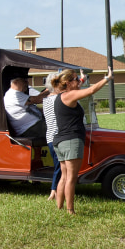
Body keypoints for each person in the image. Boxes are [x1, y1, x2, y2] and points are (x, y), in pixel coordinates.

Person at [52, 67, 112, 214]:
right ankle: (70, 210)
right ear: (67, 82)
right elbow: (90, 91)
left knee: (64, 177)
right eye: (76, 79)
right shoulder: (70, 95)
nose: (78, 81)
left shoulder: (60, 95)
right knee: (71, 178)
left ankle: (59, 208)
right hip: (71, 141)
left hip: (60, 141)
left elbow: (79, 87)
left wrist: (82, 78)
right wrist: (107, 78)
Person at [42, 73, 65, 201]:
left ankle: (54, 189)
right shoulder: (56, 99)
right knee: (59, 166)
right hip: (57, 136)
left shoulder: (46, 99)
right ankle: (53, 191)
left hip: (50, 136)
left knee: (58, 165)